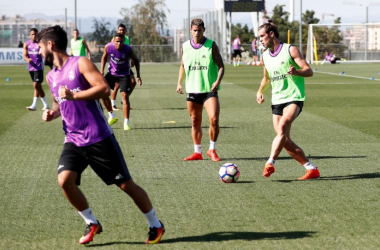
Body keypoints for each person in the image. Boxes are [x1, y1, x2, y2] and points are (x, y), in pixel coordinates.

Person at [37, 25, 164, 245]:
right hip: (73, 139)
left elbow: (103, 88)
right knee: (64, 180)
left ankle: (155, 224)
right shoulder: (52, 76)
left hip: (98, 137)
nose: (38, 53)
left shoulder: (80, 63)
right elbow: (60, 102)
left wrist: (74, 97)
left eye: (40, 47)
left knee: (125, 185)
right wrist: (52, 113)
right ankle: (91, 222)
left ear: (50, 45)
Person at [256, 20, 320, 180]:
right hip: (277, 99)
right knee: (283, 138)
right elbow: (266, 78)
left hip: (294, 97)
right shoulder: (264, 56)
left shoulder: (290, 50)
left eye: (262, 36)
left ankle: (270, 162)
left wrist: (297, 72)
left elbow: (309, 71)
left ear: (271, 34)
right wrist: (259, 91)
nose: (260, 40)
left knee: (283, 127)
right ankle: (310, 168)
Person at [176, 18, 225, 162]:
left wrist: (217, 81)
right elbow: (183, 66)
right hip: (192, 89)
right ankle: (197, 152)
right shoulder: (185, 46)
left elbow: (221, 66)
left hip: (209, 90)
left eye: (199, 30)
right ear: (191, 30)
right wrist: (179, 82)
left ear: (204, 30)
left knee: (214, 119)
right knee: (195, 121)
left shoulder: (211, 45)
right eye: (194, 30)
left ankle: (212, 149)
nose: (197, 33)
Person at [101, 33, 141, 131]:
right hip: (112, 73)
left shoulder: (128, 49)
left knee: (125, 97)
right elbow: (104, 57)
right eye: (117, 41)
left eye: (121, 41)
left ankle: (126, 123)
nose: (118, 43)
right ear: (113, 41)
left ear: (124, 41)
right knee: (102, 91)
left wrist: (138, 75)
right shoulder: (108, 46)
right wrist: (101, 71)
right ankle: (112, 115)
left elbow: (136, 60)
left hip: (124, 74)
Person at [109, 24, 139, 111]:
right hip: (116, 66)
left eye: (123, 30)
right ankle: (113, 104)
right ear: (118, 30)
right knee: (117, 84)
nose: (121, 31)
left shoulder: (127, 39)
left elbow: (128, 50)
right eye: (120, 30)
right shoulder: (114, 39)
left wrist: (133, 60)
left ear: (125, 31)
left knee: (133, 82)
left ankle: (124, 100)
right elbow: (110, 51)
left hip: (125, 65)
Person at [23, 28, 49, 111]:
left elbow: (45, 53)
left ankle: (34, 105)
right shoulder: (27, 44)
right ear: (30, 35)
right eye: (32, 34)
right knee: (39, 87)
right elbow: (24, 56)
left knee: (35, 85)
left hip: (39, 67)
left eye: (35, 34)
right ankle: (46, 104)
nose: (34, 36)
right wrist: (27, 60)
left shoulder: (40, 44)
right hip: (31, 68)